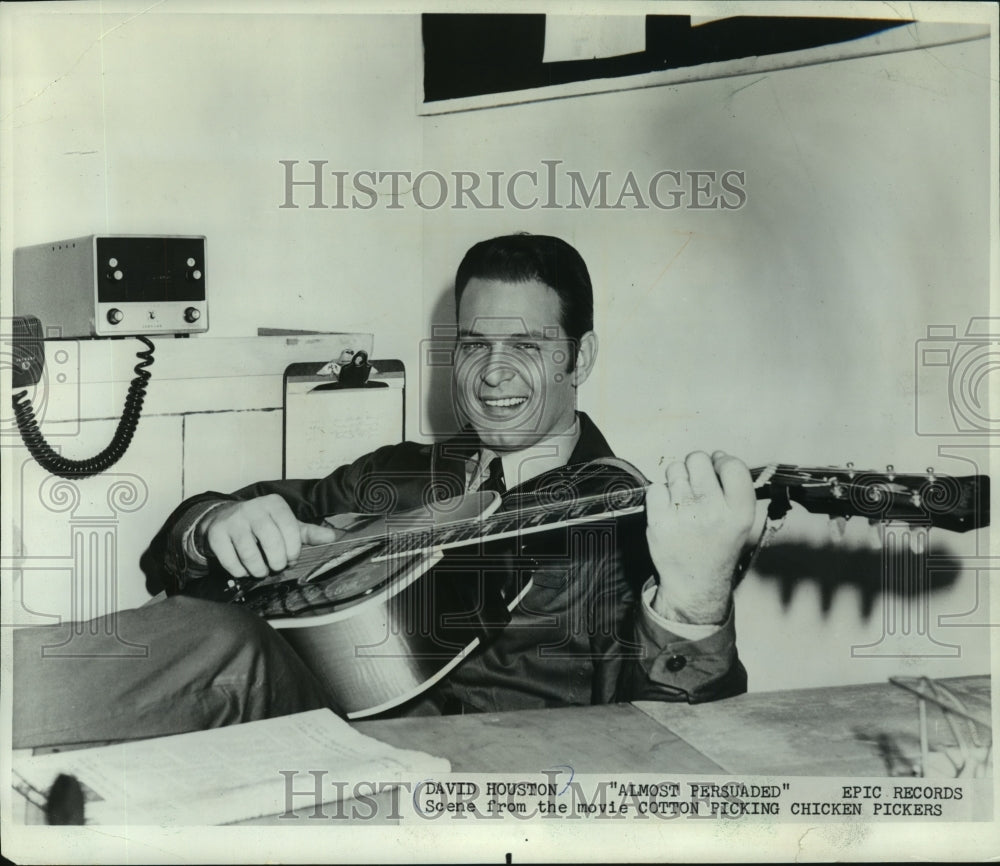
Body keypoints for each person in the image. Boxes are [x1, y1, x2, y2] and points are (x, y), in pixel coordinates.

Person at [13, 233, 755, 747]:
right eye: (473, 344)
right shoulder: (400, 472)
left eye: (526, 345)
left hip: (477, 793)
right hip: (300, 730)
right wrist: (215, 523)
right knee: (197, 639)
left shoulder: (630, 519)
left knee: (223, 645)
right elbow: (174, 554)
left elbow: (672, 742)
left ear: (580, 356)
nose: (492, 372)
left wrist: (694, 607)